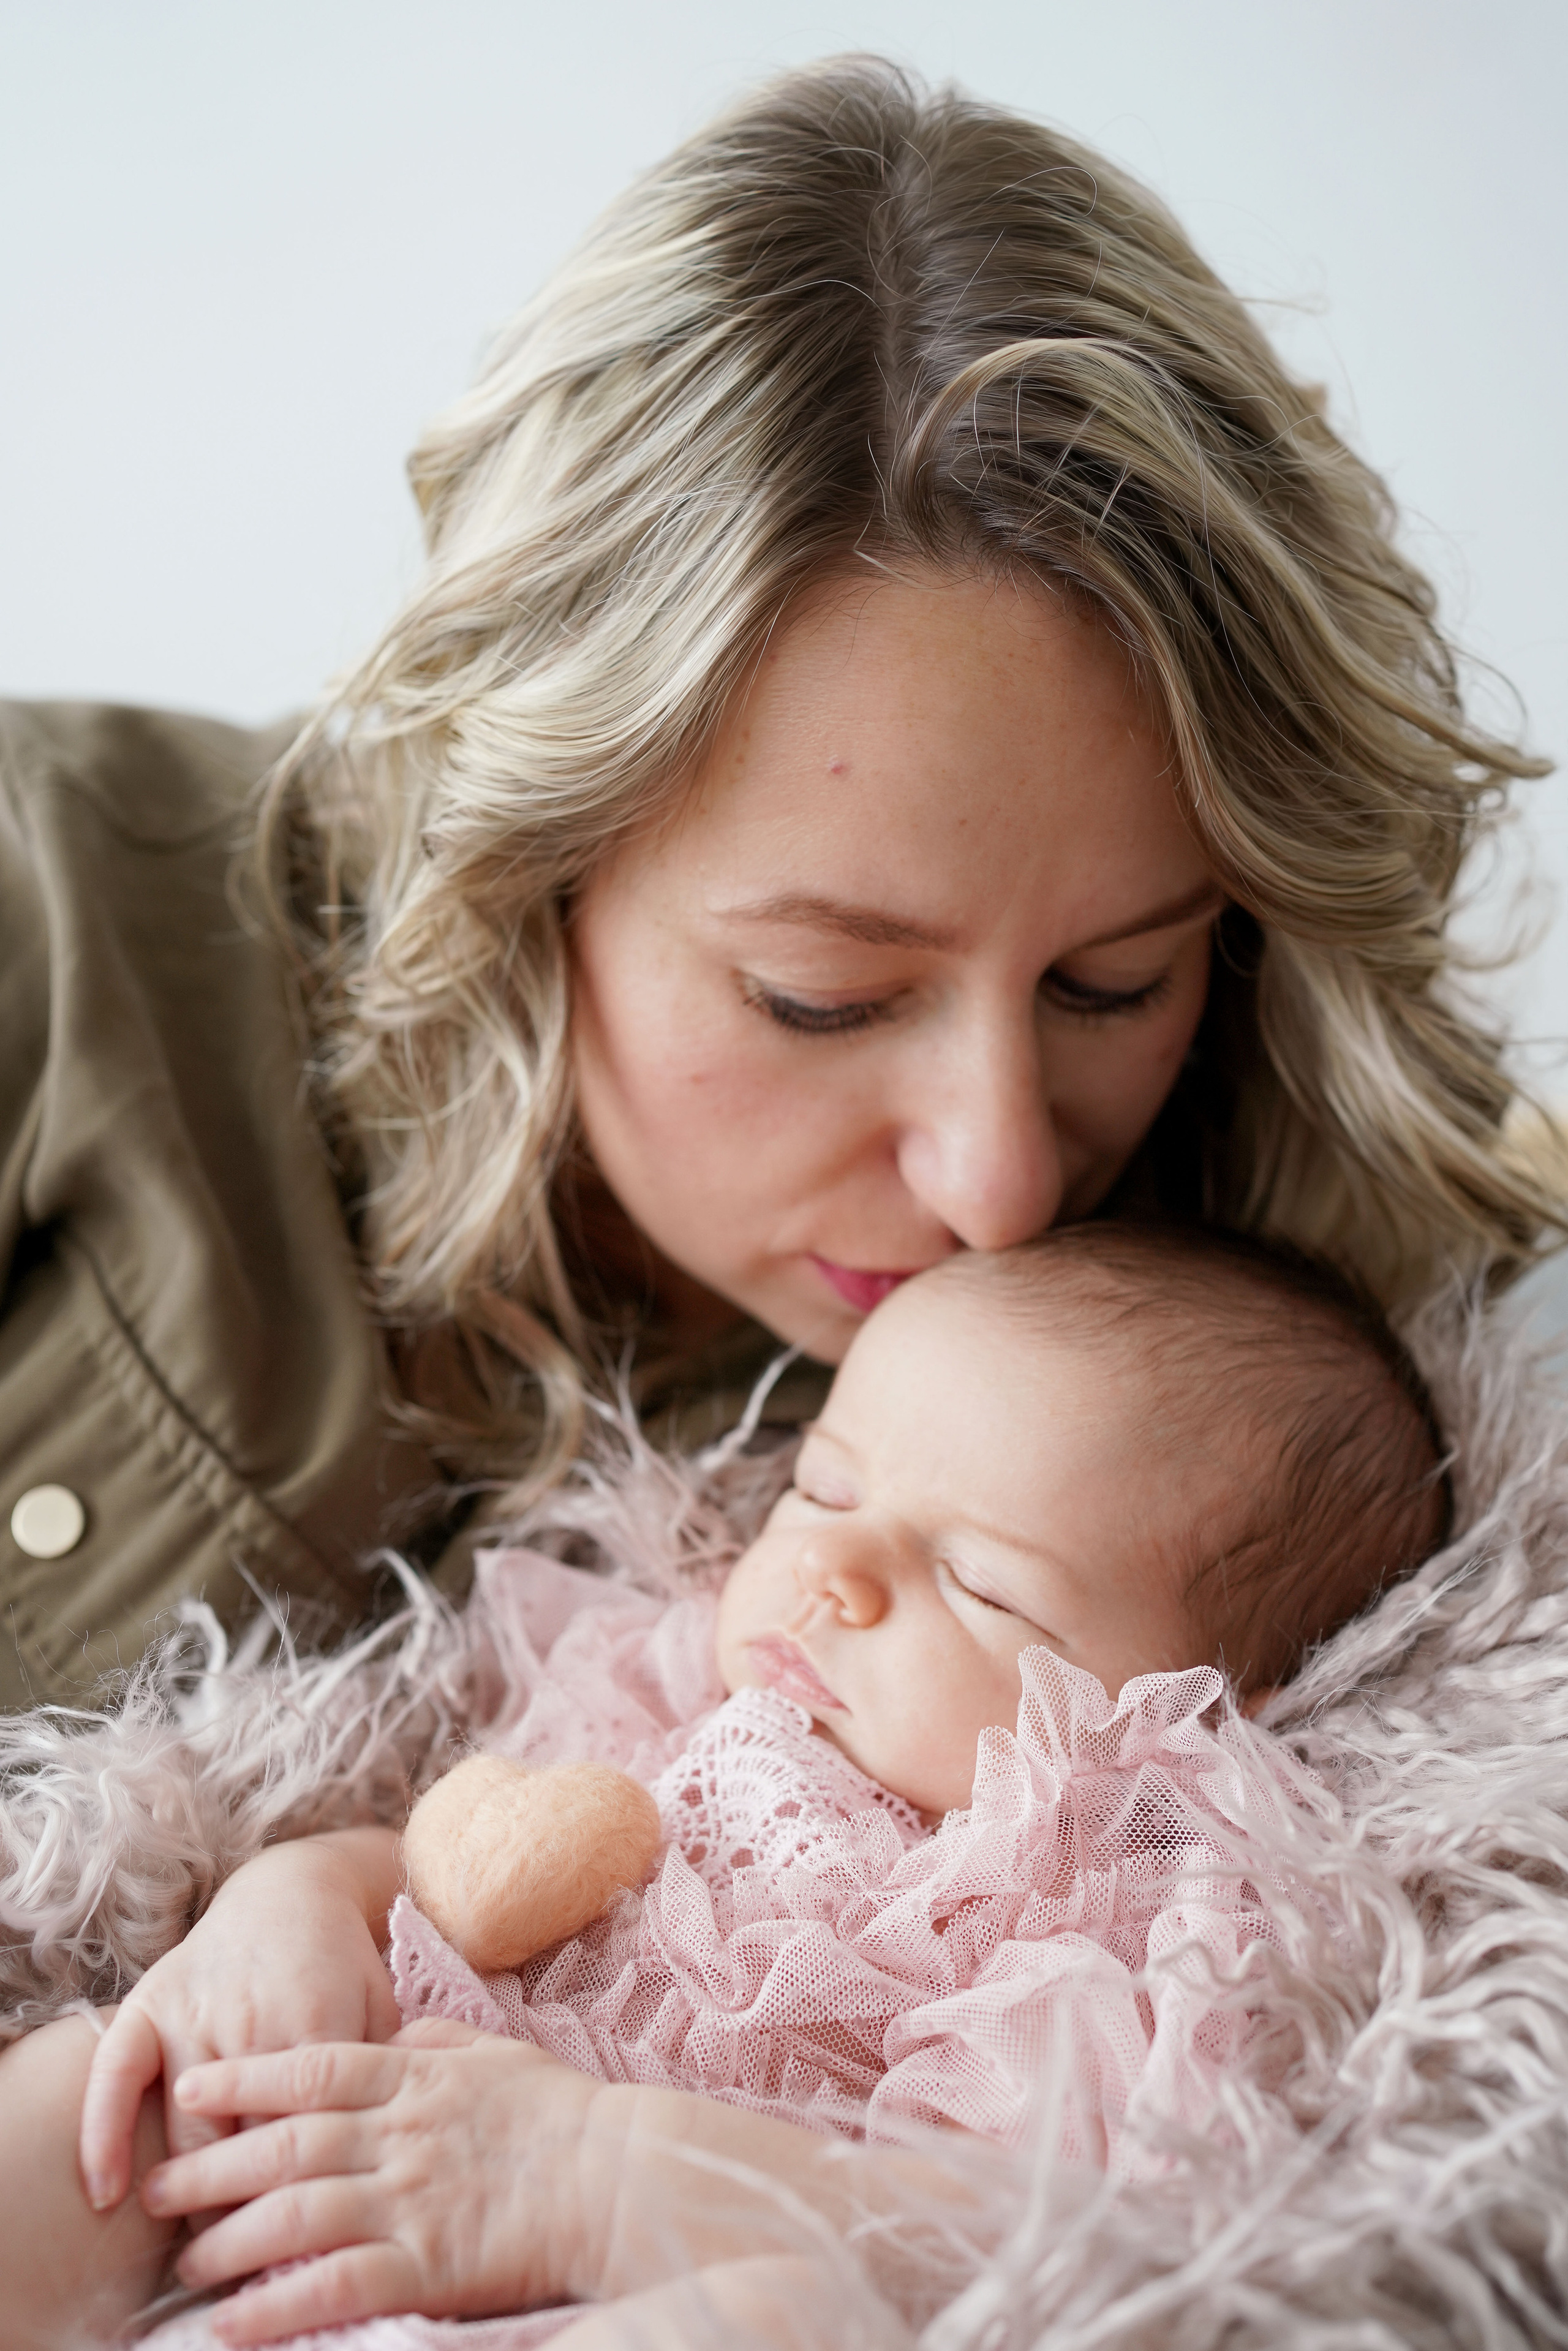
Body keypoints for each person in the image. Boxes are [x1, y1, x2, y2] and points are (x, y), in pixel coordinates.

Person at [0, 58, 1558, 1711]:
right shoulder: (55, 910)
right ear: (536, 851)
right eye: (823, 993)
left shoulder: (1240, 1385)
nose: (1001, 1181)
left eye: (1117, 981)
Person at [0, 1223, 1450, 2349]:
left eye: (976, 1581)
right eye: (821, 1487)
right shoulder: (657, 1688)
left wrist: (598, 2168)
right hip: (343, 2166)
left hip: (628, 2280)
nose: (828, 1565)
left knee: (788, 2320)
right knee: (118, 2087)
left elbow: (1055, 2240)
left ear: (1186, 1709)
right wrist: (284, 1912)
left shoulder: (1091, 1894)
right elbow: (432, 1863)